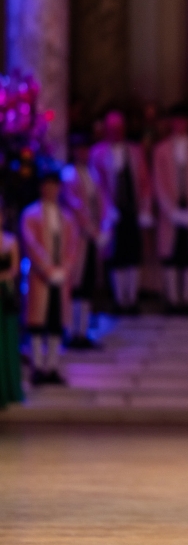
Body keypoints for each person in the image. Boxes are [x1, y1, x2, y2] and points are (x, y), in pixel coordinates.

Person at [90, 110, 153, 314]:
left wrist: (145, 209)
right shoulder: (98, 153)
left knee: (133, 253)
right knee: (116, 255)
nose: (116, 132)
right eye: (112, 128)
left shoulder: (135, 151)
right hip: (111, 212)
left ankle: (132, 298)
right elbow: (96, 184)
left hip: (132, 209)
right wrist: (106, 209)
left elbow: (144, 181)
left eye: (119, 128)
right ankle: (119, 299)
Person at [21, 169, 79, 386]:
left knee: (56, 322)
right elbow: (31, 244)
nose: (51, 190)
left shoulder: (66, 217)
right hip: (40, 277)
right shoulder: (31, 214)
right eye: (47, 185)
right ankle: (37, 366)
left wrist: (65, 268)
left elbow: (72, 245)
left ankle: (53, 366)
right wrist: (47, 269)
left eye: (55, 186)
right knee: (36, 323)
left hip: (60, 278)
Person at [153, 104, 188, 315]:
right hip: (170, 210)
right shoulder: (161, 149)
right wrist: (170, 210)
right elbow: (159, 181)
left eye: (183, 120)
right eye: (176, 120)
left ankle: (187, 300)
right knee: (171, 255)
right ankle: (173, 300)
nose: (180, 125)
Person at [61, 135, 111, 348]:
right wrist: (92, 229)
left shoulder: (93, 174)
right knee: (76, 284)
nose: (83, 153)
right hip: (77, 237)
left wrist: (105, 225)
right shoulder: (69, 175)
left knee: (88, 284)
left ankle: (83, 331)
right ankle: (72, 331)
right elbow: (75, 205)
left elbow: (103, 201)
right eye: (79, 149)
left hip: (91, 238)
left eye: (85, 149)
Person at [0, 203, 24, 406]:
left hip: (5, 293)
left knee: (7, 340)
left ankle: (8, 389)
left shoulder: (10, 240)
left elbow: (15, 268)